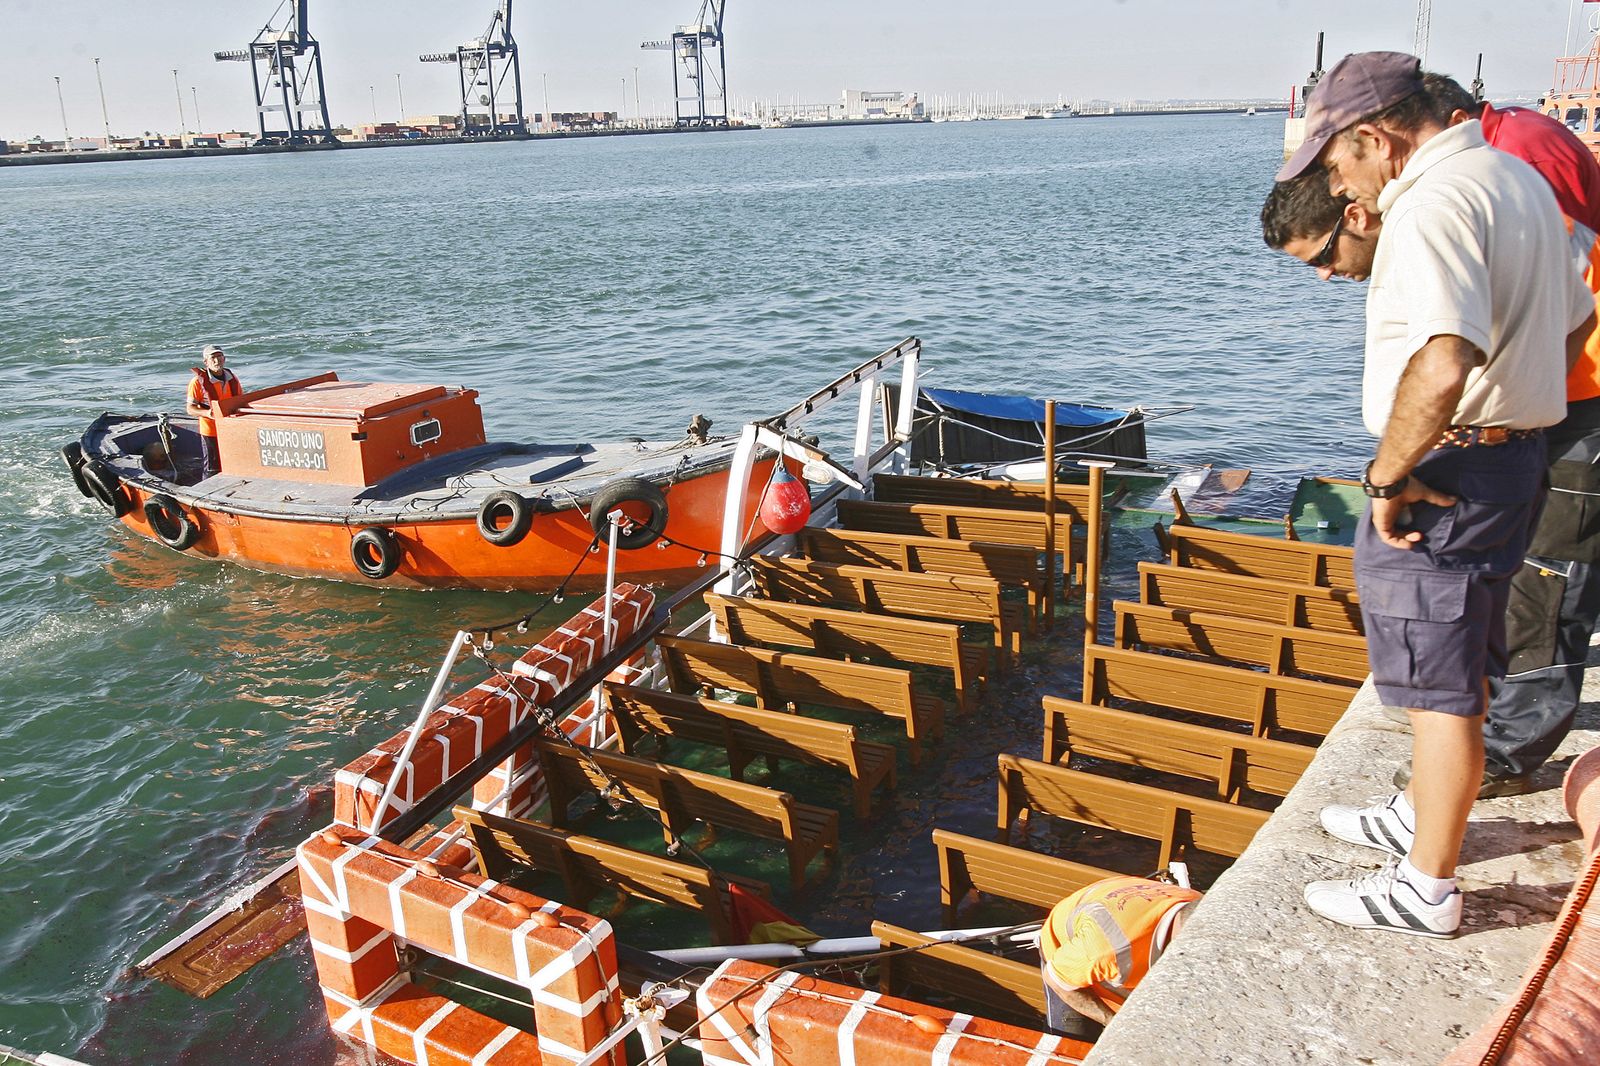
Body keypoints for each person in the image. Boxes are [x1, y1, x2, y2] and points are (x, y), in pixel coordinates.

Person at [1274, 52, 1595, 938]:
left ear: (1374, 138)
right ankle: (1425, 815)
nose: (1347, 186)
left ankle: (1426, 887)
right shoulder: (1515, 176)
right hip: (1511, 460)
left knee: (1438, 685)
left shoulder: (1432, 202)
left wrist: (1388, 471)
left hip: (1449, 471)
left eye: (1339, 164)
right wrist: (1515, 417)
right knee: (1471, 656)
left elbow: (1444, 353)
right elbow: (1573, 318)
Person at [1037, 875, 1201, 1038]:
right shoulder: (1105, 949)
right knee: (1070, 1042)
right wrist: (1113, 1022)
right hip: (1068, 958)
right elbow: (1056, 979)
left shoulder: (1198, 902)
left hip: (1117, 907)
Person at [186, 344, 242, 481]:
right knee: (212, 467)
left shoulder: (232, 378)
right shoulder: (197, 382)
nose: (217, 361)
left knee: (232, 463)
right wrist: (208, 413)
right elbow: (190, 409)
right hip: (210, 431)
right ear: (206, 362)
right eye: (213, 358)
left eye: (219, 356)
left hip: (229, 429)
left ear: (224, 358)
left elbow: (241, 400)